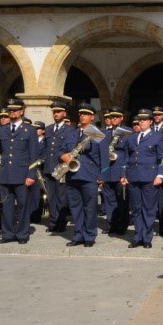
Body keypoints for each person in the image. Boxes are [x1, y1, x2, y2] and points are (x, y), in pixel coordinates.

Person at [0, 98, 40, 244]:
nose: (12, 112)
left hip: (22, 175)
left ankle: (22, 234)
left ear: (21, 112)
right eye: (10, 110)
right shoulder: (2, 130)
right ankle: (8, 233)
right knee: (7, 205)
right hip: (5, 174)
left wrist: (31, 175)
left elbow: (34, 155)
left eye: (15, 110)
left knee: (23, 205)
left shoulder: (29, 130)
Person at [63, 104, 108, 247]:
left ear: (92, 117)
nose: (82, 116)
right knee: (75, 207)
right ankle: (78, 235)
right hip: (72, 175)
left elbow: (104, 157)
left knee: (90, 207)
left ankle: (89, 236)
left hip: (90, 175)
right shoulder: (72, 133)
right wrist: (62, 156)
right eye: (81, 114)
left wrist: (102, 175)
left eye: (86, 114)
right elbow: (62, 150)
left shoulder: (97, 133)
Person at [120, 109, 163, 249]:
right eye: (140, 119)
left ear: (151, 121)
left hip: (149, 177)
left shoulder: (157, 137)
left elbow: (161, 158)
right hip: (133, 177)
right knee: (136, 209)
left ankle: (147, 237)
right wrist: (123, 175)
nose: (142, 122)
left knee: (149, 209)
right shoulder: (132, 138)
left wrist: (160, 175)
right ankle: (137, 236)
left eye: (145, 119)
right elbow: (127, 158)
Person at [43, 101, 72, 233]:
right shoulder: (48, 129)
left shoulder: (69, 130)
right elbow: (45, 148)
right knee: (51, 197)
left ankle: (61, 222)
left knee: (61, 197)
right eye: (54, 112)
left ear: (64, 113)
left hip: (61, 168)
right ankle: (53, 221)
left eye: (58, 112)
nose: (56, 114)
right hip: (49, 167)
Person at [102, 106, 130, 236]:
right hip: (107, 171)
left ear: (121, 118)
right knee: (109, 200)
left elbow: (129, 153)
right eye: (112, 117)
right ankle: (111, 225)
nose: (113, 119)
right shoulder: (105, 133)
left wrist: (125, 172)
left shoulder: (128, 132)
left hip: (120, 170)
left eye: (116, 117)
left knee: (122, 201)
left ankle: (122, 226)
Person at [29, 121, 46, 224]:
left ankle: (37, 215)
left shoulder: (45, 141)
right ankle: (31, 214)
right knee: (31, 194)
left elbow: (45, 155)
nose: (35, 131)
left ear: (43, 131)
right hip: (32, 170)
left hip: (41, 170)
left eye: (38, 129)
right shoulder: (32, 141)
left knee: (39, 194)